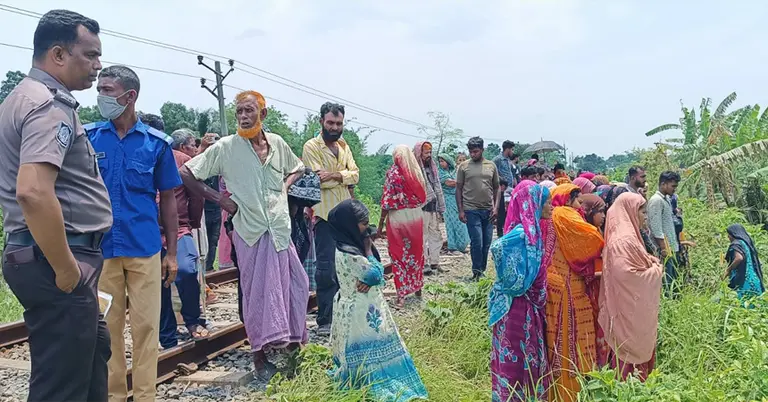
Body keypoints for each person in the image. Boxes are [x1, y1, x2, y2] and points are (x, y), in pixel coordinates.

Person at [0, 10, 112, 402]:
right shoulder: (48, 105)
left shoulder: (21, 97)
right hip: (56, 257)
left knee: (92, 358)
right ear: (59, 54)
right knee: (62, 387)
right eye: (91, 55)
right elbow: (33, 191)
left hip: (48, 254)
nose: (98, 66)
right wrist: (66, 269)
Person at [180, 90, 308, 379]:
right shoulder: (226, 147)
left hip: (279, 229)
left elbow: (298, 168)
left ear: (263, 115)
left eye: (249, 111)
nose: (243, 116)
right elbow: (187, 172)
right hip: (250, 231)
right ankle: (259, 358)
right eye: (238, 112)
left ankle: (290, 348)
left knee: (295, 286)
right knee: (256, 293)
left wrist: (285, 187)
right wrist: (220, 199)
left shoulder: (276, 143)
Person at [86, 65, 181, 402]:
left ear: (130, 96)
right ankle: (113, 396)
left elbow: (167, 198)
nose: (101, 96)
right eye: (99, 88)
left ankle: (144, 396)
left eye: (107, 89)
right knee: (107, 329)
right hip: (103, 251)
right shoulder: (90, 138)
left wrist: (171, 253)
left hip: (144, 249)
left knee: (146, 328)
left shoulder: (156, 144)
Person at [328, 199, 429, 401]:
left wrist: (374, 274)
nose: (367, 229)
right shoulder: (352, 254)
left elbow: (375, 275)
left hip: (358, 307)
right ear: (349, 225)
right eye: (363, 224)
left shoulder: (344, 245)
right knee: (372, 356)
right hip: (361, 313)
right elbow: (375, 274)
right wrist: (368, 250)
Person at [489, 182, 553, 401]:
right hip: (519, 307)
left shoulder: (530, 232)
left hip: (522, 305)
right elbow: (497, 248)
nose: (551, 206)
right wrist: (515, 283)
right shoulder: (522, 234)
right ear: (534, 204)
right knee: (517, 356)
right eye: (547, 202)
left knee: (520, 356)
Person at [302, 102, 359, 336]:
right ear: (321, 122)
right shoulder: (311, 146)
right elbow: (317, 179)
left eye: (339, 123)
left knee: (349, 266)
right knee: (326, 269)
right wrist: (343, 177)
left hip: (346, 217)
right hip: (324, 216)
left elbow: (356, 174)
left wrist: (336, 175)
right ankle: (325, 318)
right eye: (330, 123)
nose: (335, 127)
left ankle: (347, 314)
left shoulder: (344, 147)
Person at [545, 184, 604, 402]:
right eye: (578, 201)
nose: (580, 206)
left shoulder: (553, 216)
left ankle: (557, 391)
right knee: (570, 337)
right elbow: (593, 240)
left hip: (555, 281)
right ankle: (569, 391)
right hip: (567, 285)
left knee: (556, 337)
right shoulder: (565, 215)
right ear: (568, 200)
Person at [599, 192, 663, 381]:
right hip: (628, 310)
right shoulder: (624, 240)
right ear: (629, 212)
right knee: (629, 354)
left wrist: (648, 261)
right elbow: (629, 275)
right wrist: (656, 269)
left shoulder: (627, 236)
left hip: (629, 307)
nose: (645, 217)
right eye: (642, 212)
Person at [157, 129, 207, 349]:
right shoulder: (137, 156)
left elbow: (196, 195)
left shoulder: (183, 162)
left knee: (187, 270)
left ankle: (193, 319)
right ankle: (166, 336)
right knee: (156, 283)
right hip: (148, 231)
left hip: (179, 229)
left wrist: (193, 222)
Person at [379, 145, 427, 309]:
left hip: (398, 217)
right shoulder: (416, 172)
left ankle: (401, 296)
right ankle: (418, 287)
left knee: (399, 255)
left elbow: (387, 202)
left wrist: (380, 224)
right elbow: (424, 196)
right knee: (416, 252)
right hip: (416, 216)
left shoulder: (394, 173)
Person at [457, 137, 500, 281]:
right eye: (470, 152)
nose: (472, 154)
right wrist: (461, 210)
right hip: (471, 209)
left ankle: (482, 269)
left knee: (487, 243)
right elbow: (458, 189)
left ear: (482, 150)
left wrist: (496, 207)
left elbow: (497, 188)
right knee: (477, 241)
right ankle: (476, 272)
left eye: (475, 151)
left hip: (488, 210)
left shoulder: (491, 166)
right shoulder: (463, 166)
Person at [414, 141, 446, 275]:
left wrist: (440, 205)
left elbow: (437, 186)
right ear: (419, 153)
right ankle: (424, 263)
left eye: (430, 152)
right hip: (421, 207)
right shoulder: (415, 168)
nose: (429, 155)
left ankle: (434, 262)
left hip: (433, 207)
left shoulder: (432, 168)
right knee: (422, 236)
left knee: (436, 235)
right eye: (426, 152)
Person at [647, 171, 681, 294]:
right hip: (664, 249)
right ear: (663, 184)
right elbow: (656, 227)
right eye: (673, 186)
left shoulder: (665, 199)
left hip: (671, 246)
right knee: (667, 280)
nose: (674, 189)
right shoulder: (656, 201)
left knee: (673, 279)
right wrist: (663, 247)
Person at [724, 224, 766, 302]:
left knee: (743, 305)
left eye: (729, 234)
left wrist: (728, 270)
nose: (728, 237)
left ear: (734, 234)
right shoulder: (746, 243)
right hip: (755, 280)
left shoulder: (736, 244)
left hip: (743, 282)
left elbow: (739, 258)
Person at [438, 153, 470, 254]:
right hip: (448, 199)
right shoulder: (440, 172)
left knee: (461, 221)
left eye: (443, 161)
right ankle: (453, 247)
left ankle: (462, 245)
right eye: (440, 161)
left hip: (458, 198)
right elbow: (449, 183)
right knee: (451, 222)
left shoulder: (455, 171)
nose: (441, 163)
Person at [199, 133, 222, 271]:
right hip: (202, 209)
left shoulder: (220, 162)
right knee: (203, 242)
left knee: (213, 241)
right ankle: (203, 269)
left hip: (216, 208)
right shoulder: (201, 160)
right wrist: (202, 148)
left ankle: (209, 268)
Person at [493, 141, 516, 237]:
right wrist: (501, 180)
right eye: (512, 149)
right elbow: (493, 172)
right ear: (508, 149)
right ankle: (499, 232)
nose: (512, 151)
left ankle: (506, 229)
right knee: (501, 211)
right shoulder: (498, 159)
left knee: (508, 210)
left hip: (509, 189)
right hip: (501, 189)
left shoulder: (507, 160)